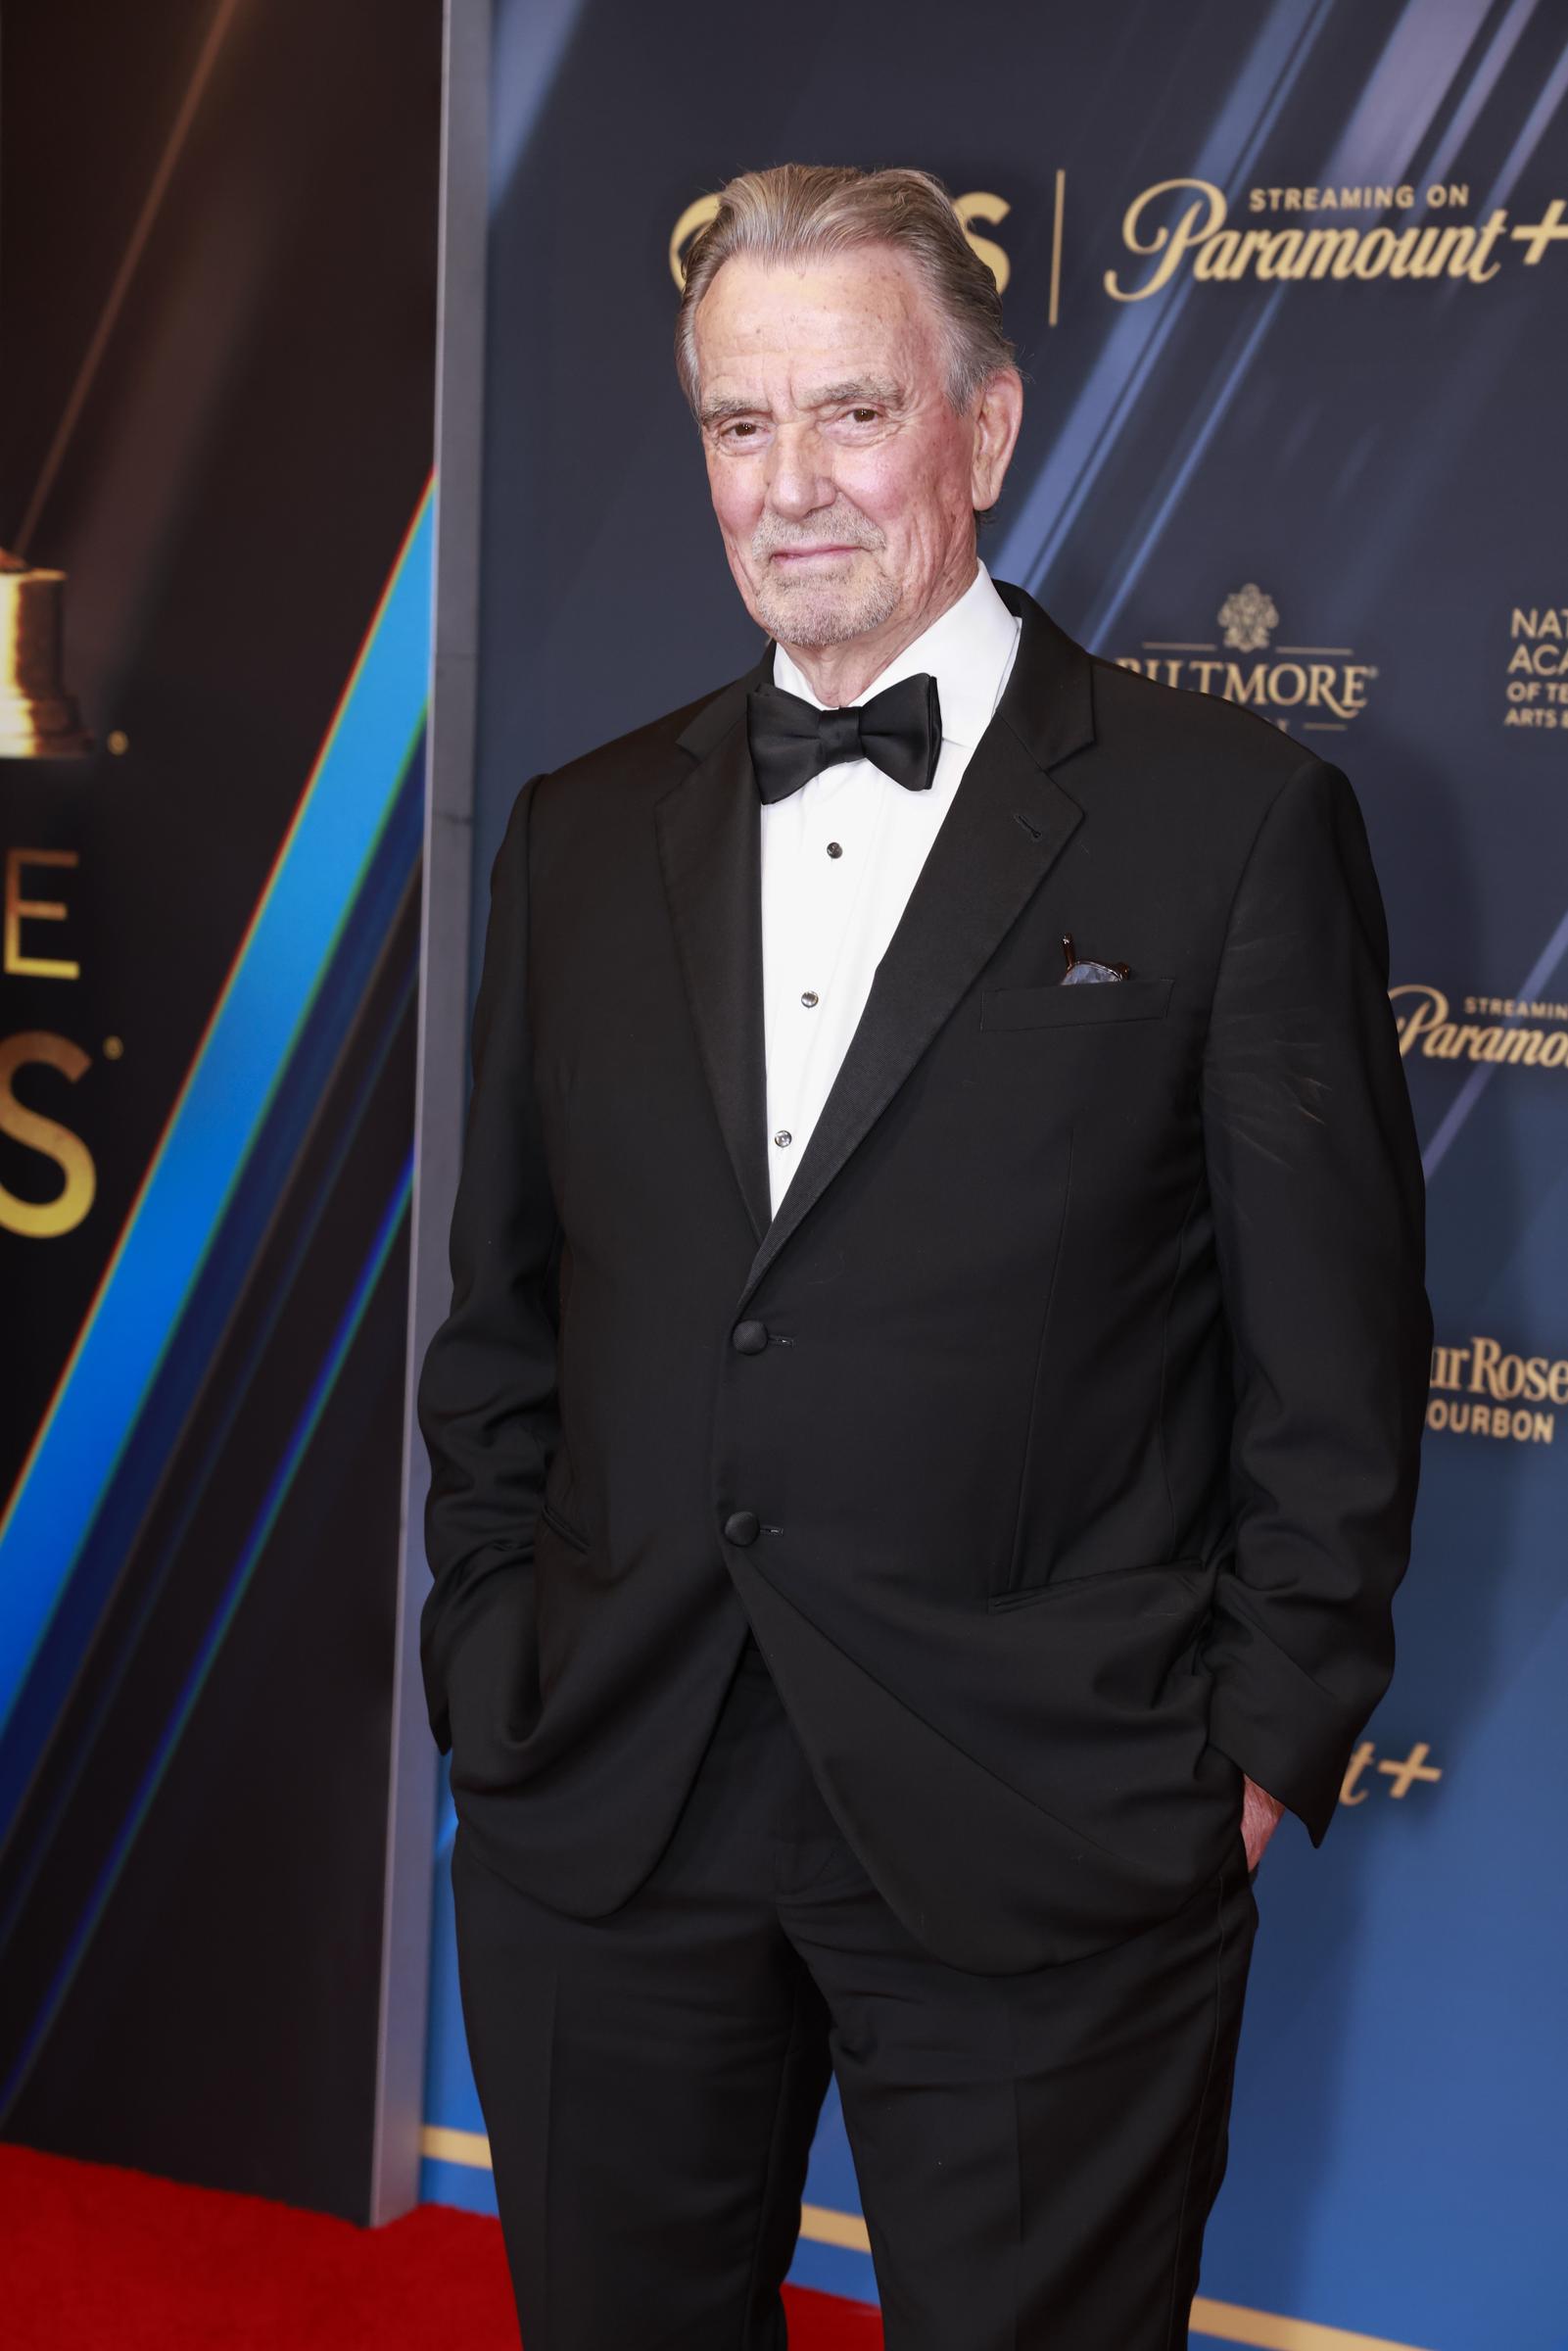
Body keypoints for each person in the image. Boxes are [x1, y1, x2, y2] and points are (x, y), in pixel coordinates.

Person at [417, 163, 1430, 2350]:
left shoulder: (1229, 823)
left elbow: (1334, 1362)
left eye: (849, 414)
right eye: (735, 425)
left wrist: (1251, 1745)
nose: (787, 489)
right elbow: (501, 1316)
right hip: (608, 1789)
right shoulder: (582, 836)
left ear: (984, 429)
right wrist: (489, 1648)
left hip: (1045, 1816)